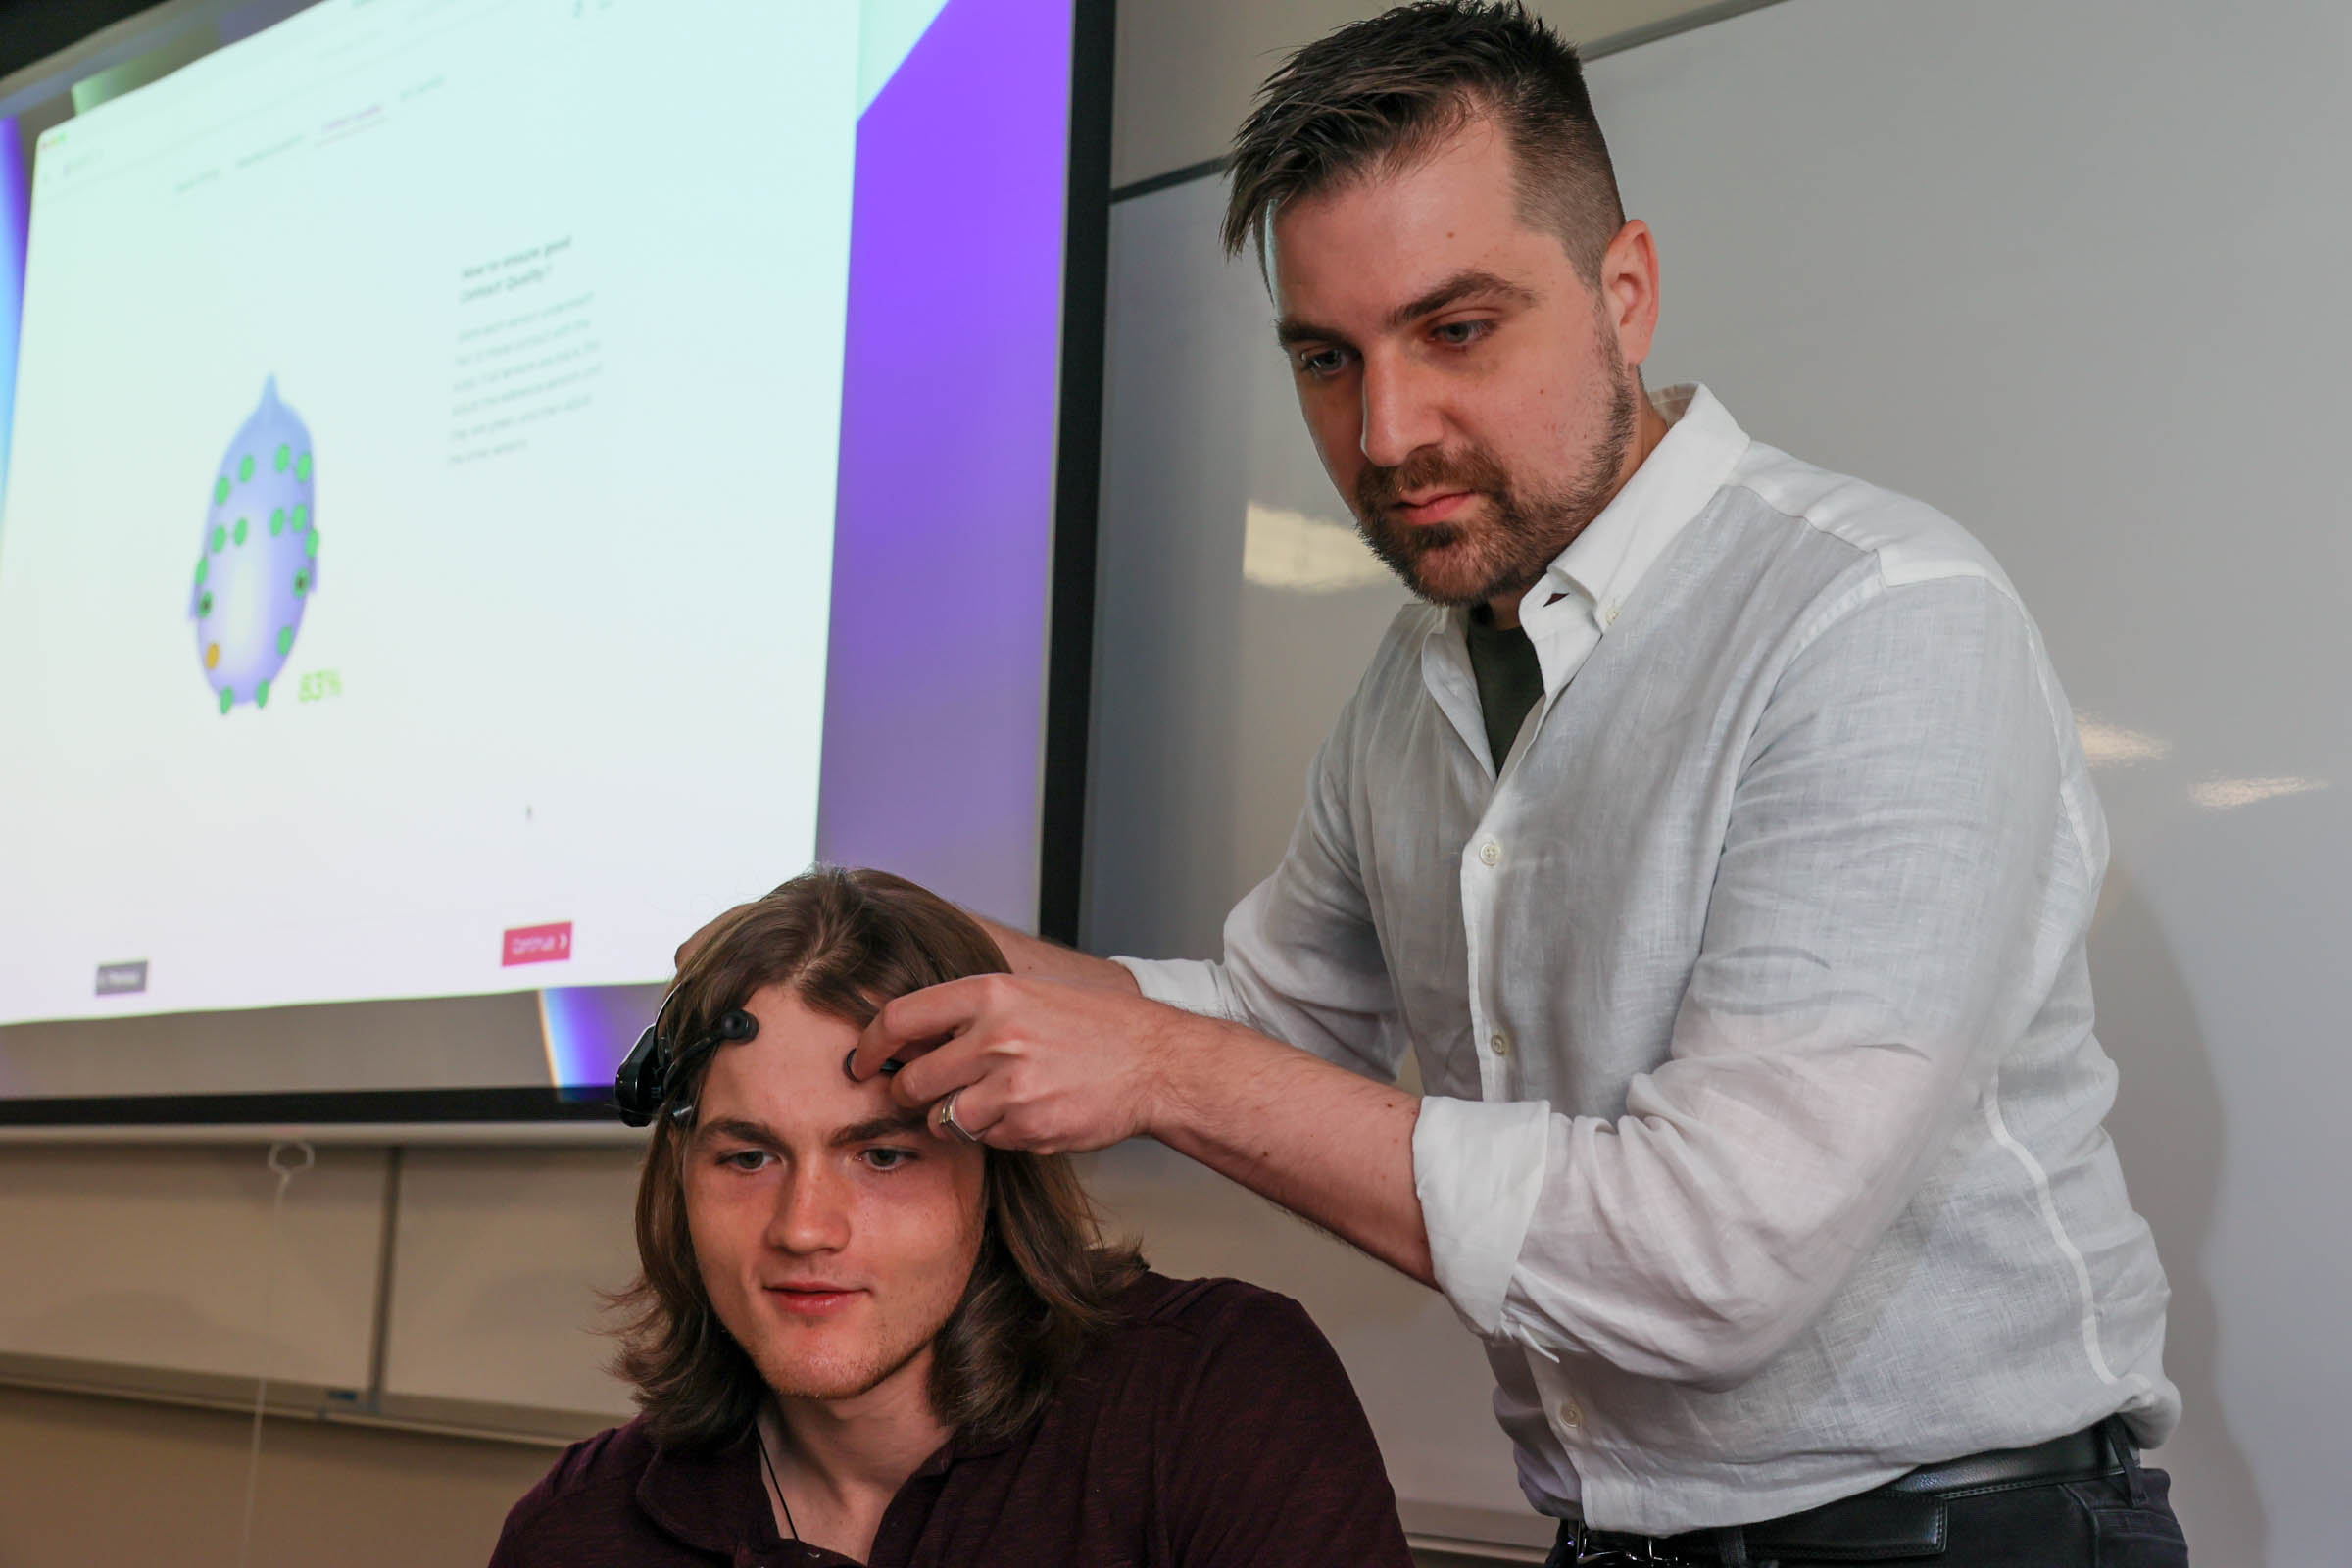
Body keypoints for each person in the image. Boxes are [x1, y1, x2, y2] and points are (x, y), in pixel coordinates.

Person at [839, 5, 2190, 1564]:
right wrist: (905, 945)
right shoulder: (1410, 691)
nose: (1388, 430)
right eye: (1326, 360)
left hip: (1960, 1541)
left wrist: (1151, 1064)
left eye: (1456, 331)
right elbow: (1274, 1023)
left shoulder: (1878, 620)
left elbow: (1709, 1257)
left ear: (1627, 291)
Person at [494, 867, 1415, 1568]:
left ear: (996, 1164)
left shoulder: (1214, 1404)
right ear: (679, 1182)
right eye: (749, 1157)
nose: (805, 1228)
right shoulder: (581, 1530)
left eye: (882, 1155)